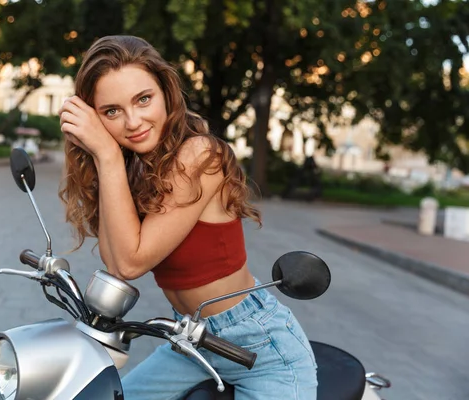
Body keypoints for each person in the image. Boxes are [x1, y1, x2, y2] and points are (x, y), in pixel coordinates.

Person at [58, 35, 317, 400]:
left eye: (143, 99)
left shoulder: (200, 155)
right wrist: (110, 162)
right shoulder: (134, 168)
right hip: (192, 339)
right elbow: (116, 263)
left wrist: (107, 154)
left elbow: (132, 262)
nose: (133, 121)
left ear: (166, 93)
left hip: (260, 347)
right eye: (112, 111)